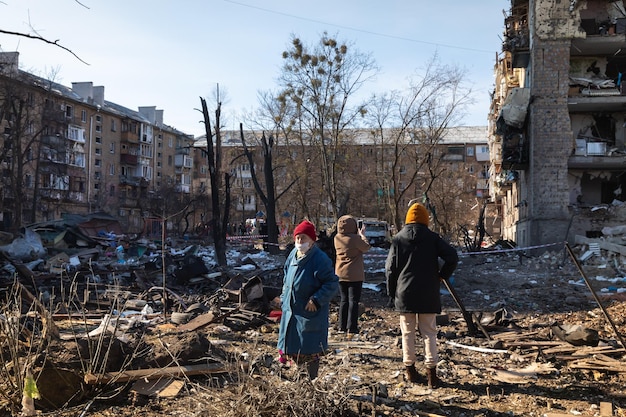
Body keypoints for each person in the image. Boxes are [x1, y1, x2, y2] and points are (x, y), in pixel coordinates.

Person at [385, 202, 458, 388]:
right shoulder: (433, 238)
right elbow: (452, 256)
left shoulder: (398, 239)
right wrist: (442, 275)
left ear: (408, 219)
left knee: (407, 333)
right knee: (430, 333)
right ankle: (432, 376)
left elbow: (390, 269)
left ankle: (410, 372)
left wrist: (391, 293)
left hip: (404, 293)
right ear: (426, 220)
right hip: (428, 293)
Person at [277, 220, 339, 380]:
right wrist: (284, 297)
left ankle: (309, 383)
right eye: (297, 238)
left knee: (309, 350)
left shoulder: (320, 259)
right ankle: (298, 380)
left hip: (309, 312)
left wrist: (317, 299)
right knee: (293, 348)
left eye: (303, 238)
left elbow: (331, 283)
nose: (299, 242)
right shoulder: (293, 255)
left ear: (312, 240)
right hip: (291, 311)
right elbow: (286, 277)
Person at [333, 215, 370, 338]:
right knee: (353, 301)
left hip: (340, 273)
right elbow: (366, 247)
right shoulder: (355, 239)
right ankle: (352, 327)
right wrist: (362, 235)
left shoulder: (337, 238)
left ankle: (341, 326)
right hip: (354, 274)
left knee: (344, 300)